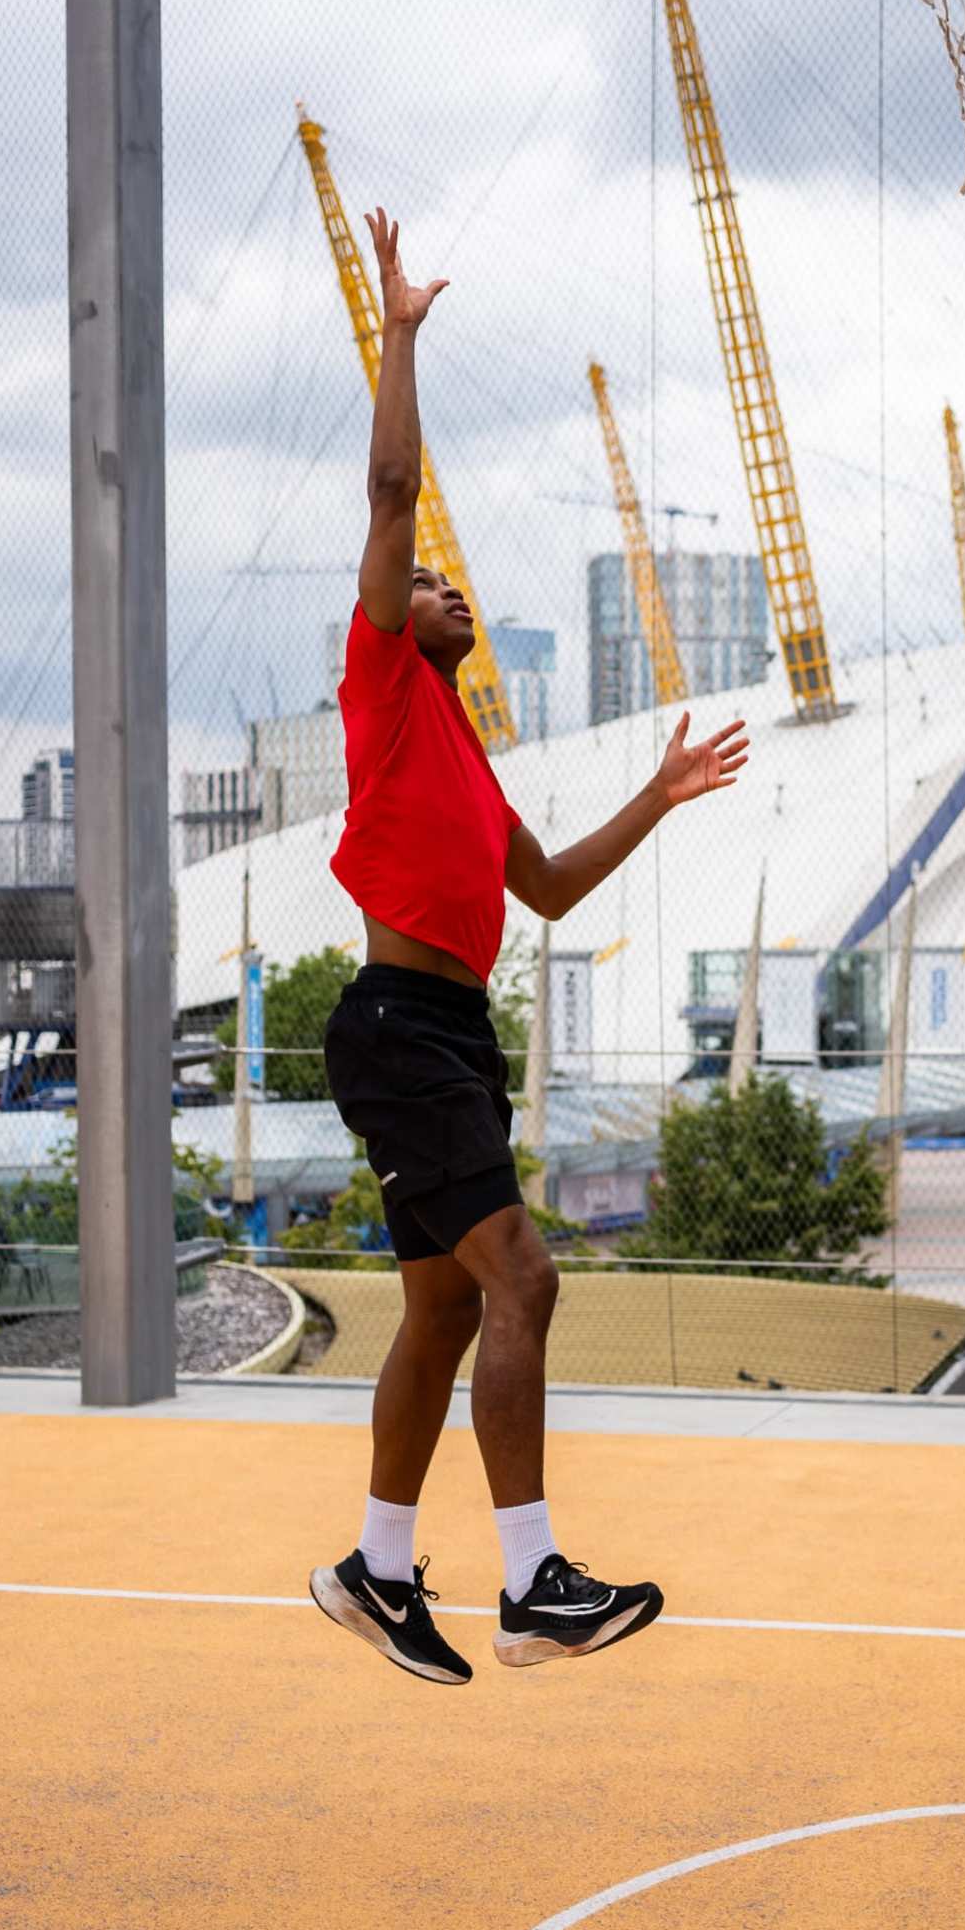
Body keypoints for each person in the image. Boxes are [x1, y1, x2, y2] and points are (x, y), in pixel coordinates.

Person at [306, 208, 751, 1688]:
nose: (451, 592)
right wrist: (403, 333)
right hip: (395, 1024)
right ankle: (529, 1581)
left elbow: (549, 889)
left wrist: (664, 793)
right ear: (389, 613)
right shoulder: (381, 673)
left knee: (443, 1302)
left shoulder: (469, 760)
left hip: (451, 1039)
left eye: (454, 590)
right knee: (527, 1279)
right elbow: (389, 480)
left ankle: (375, 1568)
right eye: (433, 581)